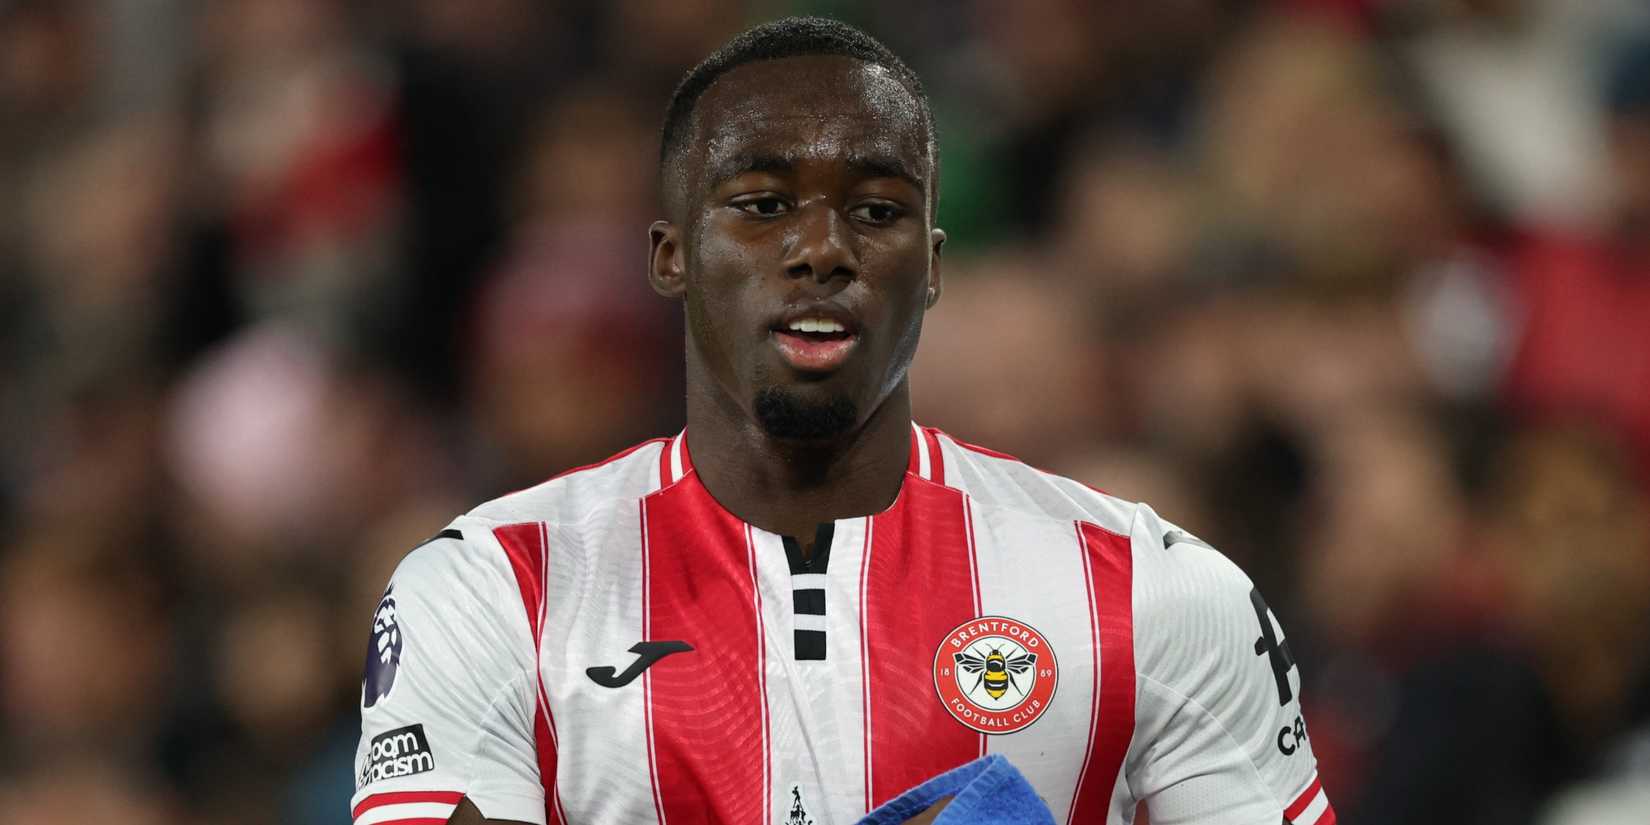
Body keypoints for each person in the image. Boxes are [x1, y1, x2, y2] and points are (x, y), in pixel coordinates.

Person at [351, 17, 1335, 825]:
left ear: (935, 264)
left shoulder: (1155, 591)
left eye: (875, 212)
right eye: (764, 203)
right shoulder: (492, 589)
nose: (821, 249)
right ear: (671, 256)